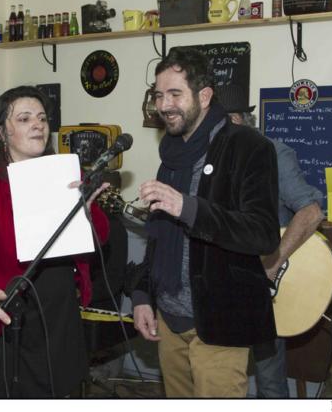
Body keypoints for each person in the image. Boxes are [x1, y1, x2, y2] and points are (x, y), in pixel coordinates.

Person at [132, 47, 281, 398]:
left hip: (219, 323)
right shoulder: (171, 154)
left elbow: (262, 234)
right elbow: (159, 238)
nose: (164, 105)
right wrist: (141, 295)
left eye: (175, 94)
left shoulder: (249, 146)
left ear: (204, 96)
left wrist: (188, 208)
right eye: (158, 95)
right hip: (169, 321)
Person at [0, 86, 110, 398]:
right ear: (1, 132)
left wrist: (89, 208)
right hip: (12, 311)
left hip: (59, 311)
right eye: (24, 119)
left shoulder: (65, 173)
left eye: (41, 118)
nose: (38, 124)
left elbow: (100, 237)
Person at [220, 84, 324, 398]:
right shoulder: (210, 159)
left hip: (265, 284)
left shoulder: (274, 153)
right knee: (219, 377)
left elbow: (311, 212)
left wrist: (273, 263)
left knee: (269, 382)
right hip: (223, 282)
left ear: (235, 120)